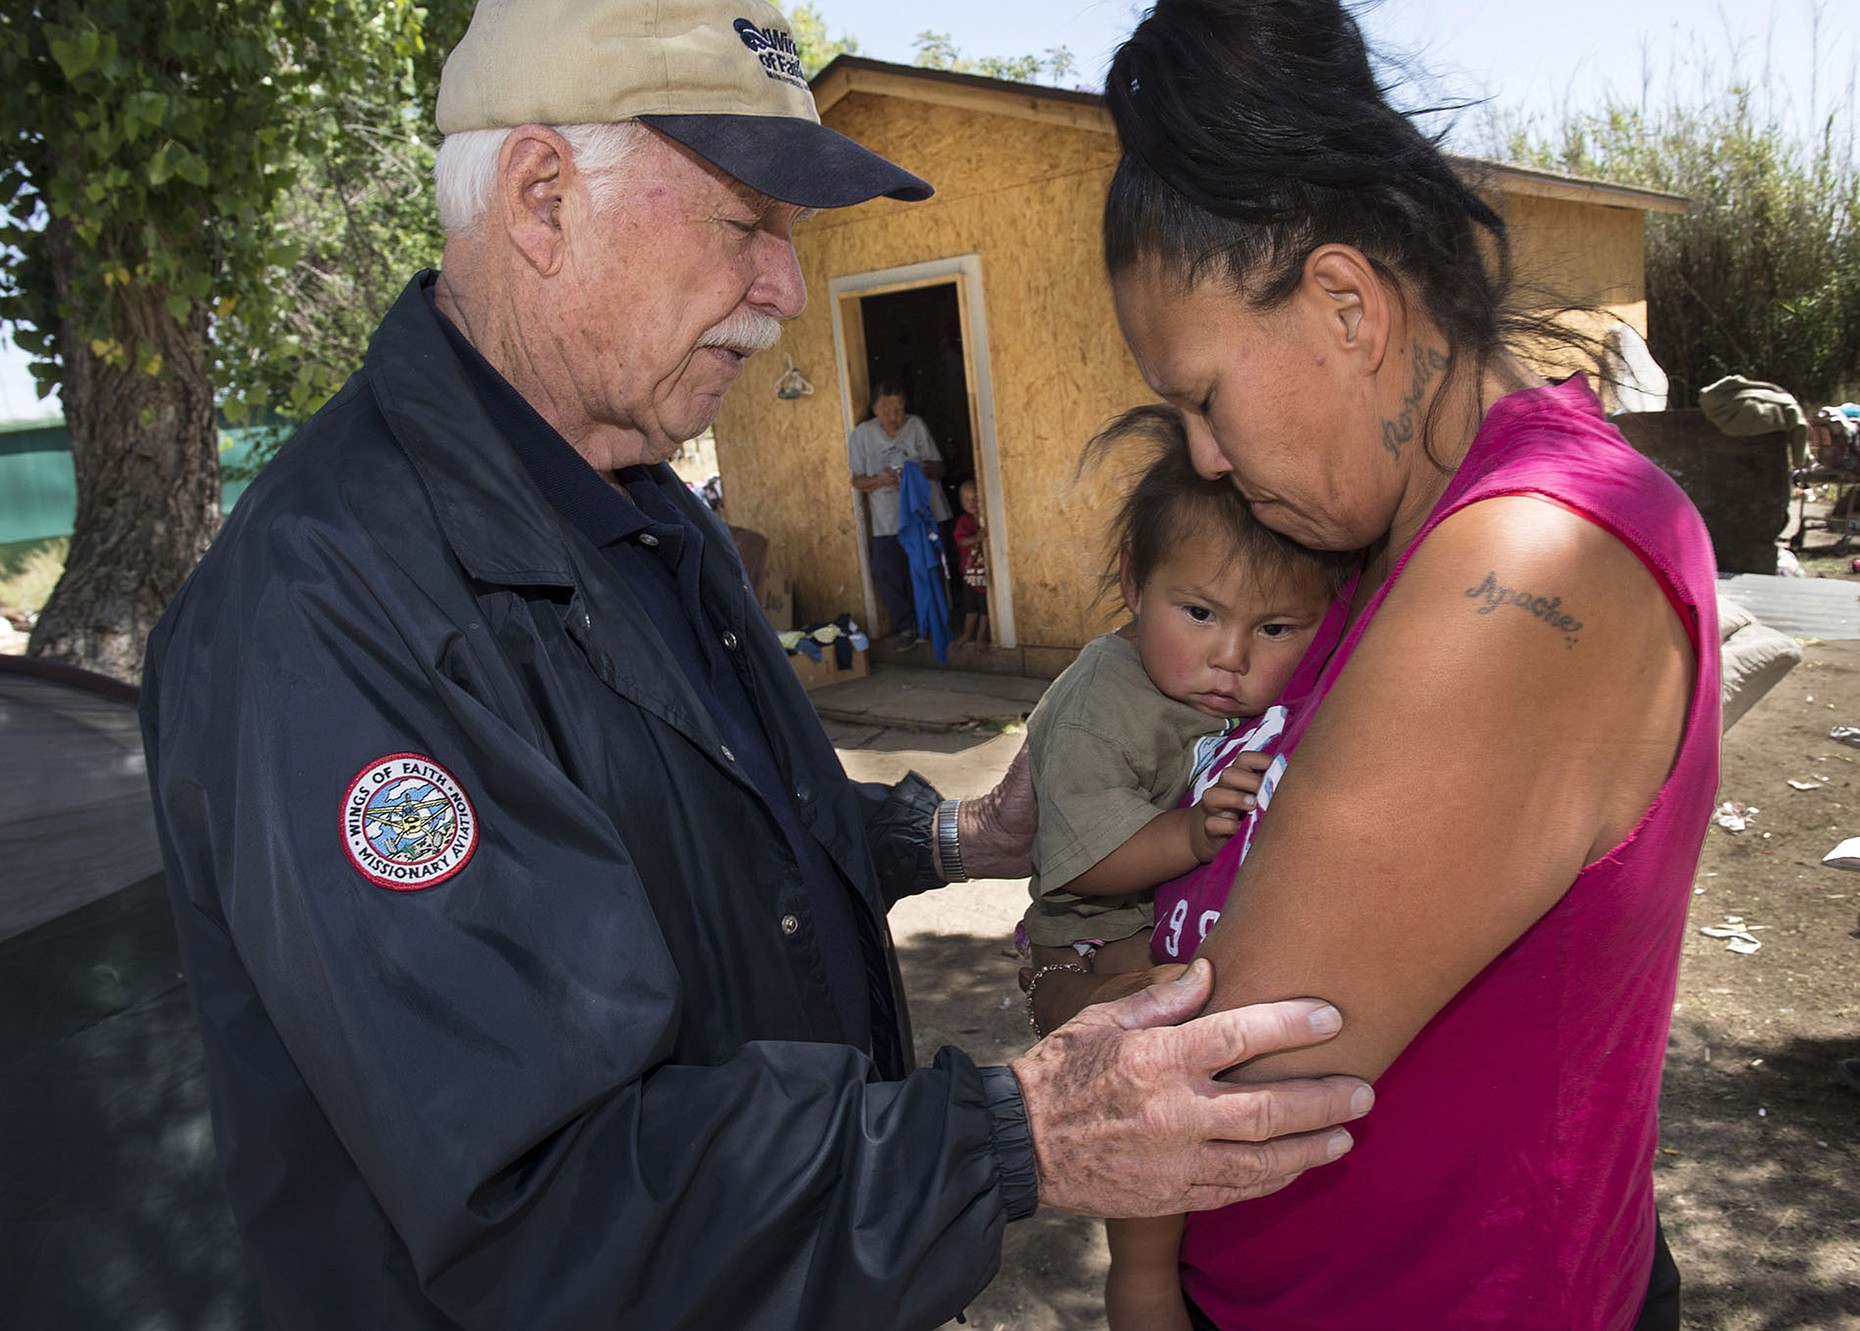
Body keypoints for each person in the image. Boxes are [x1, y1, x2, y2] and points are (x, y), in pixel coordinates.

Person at [136, 3, 1376, 1328]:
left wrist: (949, 833)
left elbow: (702, 830)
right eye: (747, 226)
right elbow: (543, 1194)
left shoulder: (638, 504)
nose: (786, 290)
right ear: (543, 198)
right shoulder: (327, 612)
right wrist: (1014, 1135)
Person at [1028, 2, 1722, 1327]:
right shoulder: (1379, 555)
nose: (1205, 459)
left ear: (1349, 305)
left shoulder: (1528, 571)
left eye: (1205, 396)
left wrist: (1094, 985)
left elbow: (1212, 1078)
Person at [1012, 411, 1346, 1329]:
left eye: (1274, 628)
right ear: (1133, 585)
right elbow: (1092, 856)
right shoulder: (1098, 701)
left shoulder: (1239, 697)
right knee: (1151, 1225)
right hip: (1092, 952)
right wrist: (1196, 834)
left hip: (1153, 937)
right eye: (1198, 613)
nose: (1229, 657)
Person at [849, 382, 948, 650]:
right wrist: (881, 480)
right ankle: (907, 626)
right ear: (874, 409)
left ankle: (932, 624)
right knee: (886, 572)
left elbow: (938, 468)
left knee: (927, 569)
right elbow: (857, 481)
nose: (894, 415)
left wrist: (912, 472)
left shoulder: (915, 425)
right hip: (887, 520)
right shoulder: (861, 435)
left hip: (922, 515)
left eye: (898, 408)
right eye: (886, 409)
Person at [951, 479, 992, 651]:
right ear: (962, 503)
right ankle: (968, 633)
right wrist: (977, 537)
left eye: (975, 498)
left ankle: (981, 635)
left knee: (985, 607)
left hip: (985, 573)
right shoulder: (964, 521)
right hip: (970, 573)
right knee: (970, 607)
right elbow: (960, 541)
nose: (972, 503)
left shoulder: (987, 518)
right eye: (967, 499)